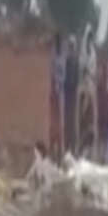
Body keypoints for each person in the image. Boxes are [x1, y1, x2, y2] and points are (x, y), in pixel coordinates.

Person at [79, 27, 98, 159]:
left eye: (92, 37)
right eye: (89, 37)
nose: (90, 39)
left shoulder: (93, 52)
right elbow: (82, 66)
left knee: (90, 116)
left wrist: (90, 74)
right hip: (83, 86)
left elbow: (93, 68)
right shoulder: (83, 52)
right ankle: (81, 147)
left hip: (90, 85)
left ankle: (88, 149)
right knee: (82, 117)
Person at [48, 33, 65, 162]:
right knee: (53, 119)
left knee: (59, 121)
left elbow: (62, 72)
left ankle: (58, 149)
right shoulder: (54, 55)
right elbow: (52, 72)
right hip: (55, 90)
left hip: (60, 90)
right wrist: (56, 85)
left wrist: (60, 84)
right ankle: (53, 148)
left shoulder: (61, 56)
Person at [63, 34, 80, 158]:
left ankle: (72, 147)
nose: (71, 48)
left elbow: (77, 78)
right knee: (67, 120)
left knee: (72, 120)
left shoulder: (74, 61)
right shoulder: (67, 60)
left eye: (72, 45)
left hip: (72, 92)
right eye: (70, 45)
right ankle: (67, 146)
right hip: (67, 92)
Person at [95, 43, 108, 164]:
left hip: (104, 106)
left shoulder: (105, 71)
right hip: (102, 106)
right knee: (102, 131)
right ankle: (101, 154)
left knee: (103, 131)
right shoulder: (102, 70)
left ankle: (103, 154)